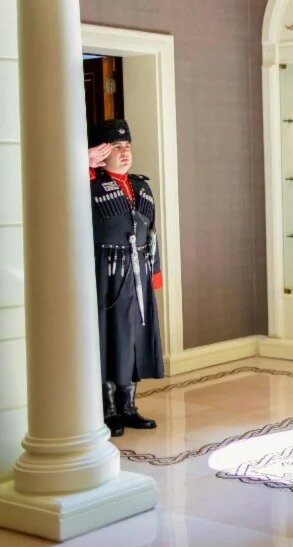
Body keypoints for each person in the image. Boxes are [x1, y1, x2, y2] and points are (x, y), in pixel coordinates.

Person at [87, 119, 162, 438]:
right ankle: (108, 410)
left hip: (138, 272)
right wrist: (83, 162)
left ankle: (128, 407)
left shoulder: (141, 186)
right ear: (101, 153)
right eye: (116, 147)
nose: (124, 152)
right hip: (106, 274)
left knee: (135, 337)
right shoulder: (88, 184)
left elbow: (152, 234)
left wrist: (154, 273)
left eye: (127, 146)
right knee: (109, 337)